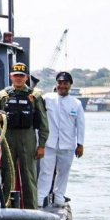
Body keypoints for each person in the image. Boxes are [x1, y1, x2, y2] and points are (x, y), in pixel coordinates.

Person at [0, 63, 49, 210]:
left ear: (26, 77)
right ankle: (6, 208)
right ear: (11, 77)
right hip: (8, 138)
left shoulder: (35, 96)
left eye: (21, 76)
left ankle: (31, 210)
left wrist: (42, 145)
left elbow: (44, 123)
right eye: (16, 76)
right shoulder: (2, 96)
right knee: (7, 174)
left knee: (29, 176)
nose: (18, 79)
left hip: (28, 138)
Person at [37, 71, 85, 207]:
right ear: (56, 84)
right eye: (60, 83)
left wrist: (80, 144)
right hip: (49, 143)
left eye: (65, 83)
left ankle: (58, 196)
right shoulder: (47, 98)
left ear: (70, 85)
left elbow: (80, 125)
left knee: (63, 172)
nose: (62, 86)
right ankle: (40, 197)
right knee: (46, 171)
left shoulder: (76, 104)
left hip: (68, 144)